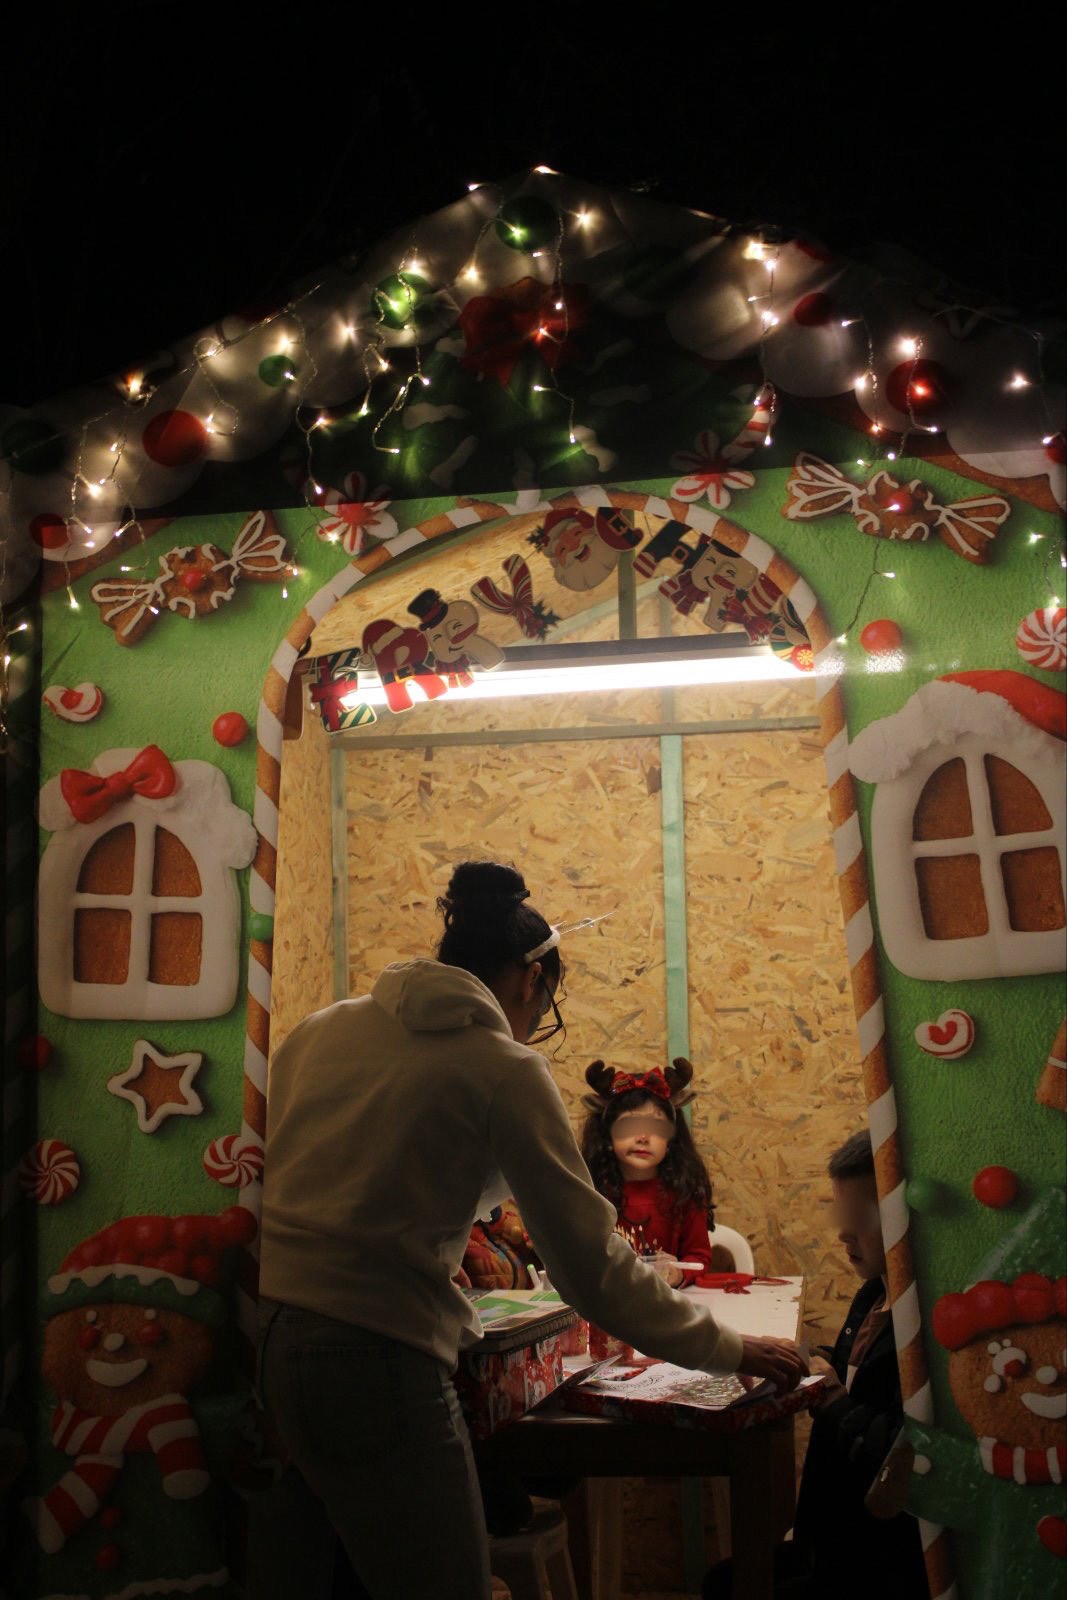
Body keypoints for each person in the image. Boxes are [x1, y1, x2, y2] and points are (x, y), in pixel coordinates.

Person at [254, 860, 807, 1600]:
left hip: (270, 1338)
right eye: (542, 1004)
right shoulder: (501, 1067)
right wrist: (727, 1348)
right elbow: (589, 1266)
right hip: (377, 1356)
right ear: (529, 980)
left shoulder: (322, 1030)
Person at [703, 1129, 928, 1600]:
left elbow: (906, 1455)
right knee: (723, 1581)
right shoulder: (874, 1294)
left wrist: (833, 1400)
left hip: (874, 1566)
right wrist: (807, 1359)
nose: (843, 1233)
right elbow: (854, 1375)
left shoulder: (922, 1327)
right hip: (830, 1543)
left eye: (860, 1218)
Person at [579, 1058, 715, 1285]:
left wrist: (679, 1274)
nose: (643, 1136)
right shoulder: (592, 1194)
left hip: (667, 1300)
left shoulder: (686, 1192)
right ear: (608, 1136)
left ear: (671, 1140)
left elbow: (699, 1257)